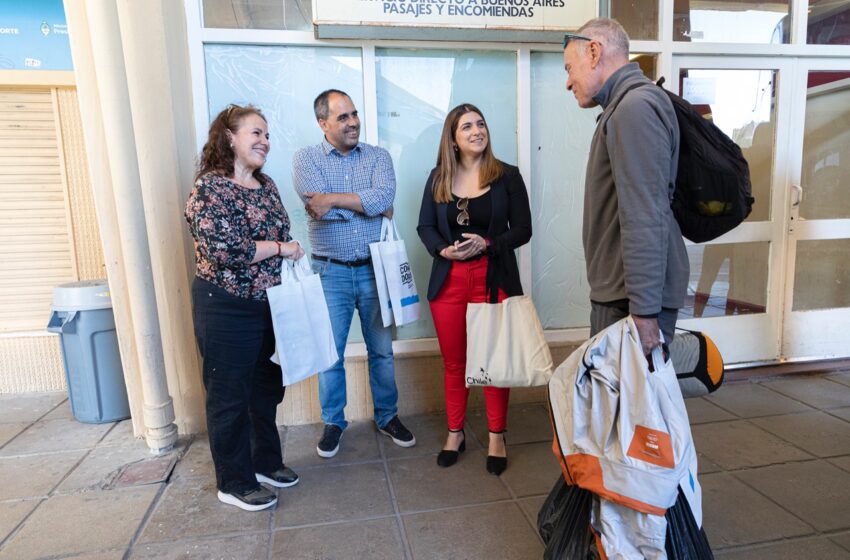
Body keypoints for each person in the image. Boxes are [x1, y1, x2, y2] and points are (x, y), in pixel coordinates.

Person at [185, 104, 304, 511]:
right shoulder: (209, 188)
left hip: (269, 304)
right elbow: (223, 250)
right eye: (255, 133)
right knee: (229, 395)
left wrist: (287, 247)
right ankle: (234, 481)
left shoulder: (266, 185)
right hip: (225, 306)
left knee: (265, 390)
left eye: (267, 135)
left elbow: (284, 230)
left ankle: (266, 462)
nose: (264, 142)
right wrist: (279, 248)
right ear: (229, 137)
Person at [292, 89, 415, 458]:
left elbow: (383, 197)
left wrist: (334, 198)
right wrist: (364, 205)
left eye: (354, 114)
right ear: (323, 123)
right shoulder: (306, 159)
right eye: (343, 117)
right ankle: (333, 422)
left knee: (382, 351)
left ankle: (388, 416)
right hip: (330, 273)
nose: (353, 122)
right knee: (330, 354)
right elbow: (318, 208)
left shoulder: (378, 156)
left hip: (376, 270)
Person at [417, 103, 532, 475]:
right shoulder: (438, 178)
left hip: (493, 278)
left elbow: (523, 229)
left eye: (480, 124)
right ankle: (455, 433)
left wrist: (488, 244)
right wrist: (444, 249)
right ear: (453, 138)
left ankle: (497, 436)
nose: (476, 131)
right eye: (466, 127)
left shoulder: (507, 176)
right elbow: (425, 227)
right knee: (456, 362)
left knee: (494, 364)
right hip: (449, 281)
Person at [563, 18, 688, 349]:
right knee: (623, 400)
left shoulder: (634, 109)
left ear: (594, 51)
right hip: (624, 296)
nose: (568, 82)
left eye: (569, 68)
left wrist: (644, 315)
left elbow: (645, 215)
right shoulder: (627, 105)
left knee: (626, 401)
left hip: (629, 304)